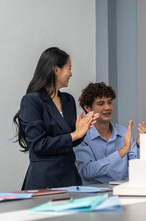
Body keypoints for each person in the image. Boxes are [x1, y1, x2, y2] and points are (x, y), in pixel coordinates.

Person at [13, 47, 99, 190]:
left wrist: (81, 131)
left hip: (70, 178)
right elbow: (38, 145)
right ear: (56, 70)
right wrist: (75, 134)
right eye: (69, 68)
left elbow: (71, 141)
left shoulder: (68, 100)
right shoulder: (31, 101)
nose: (71, 74)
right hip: (44, 181)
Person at [74, 82, 146, 184]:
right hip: (94, 195)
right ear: (87, 108)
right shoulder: (81, 136)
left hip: (123, 191)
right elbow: (86, 172)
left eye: (109, 102)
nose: (107, 107)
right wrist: (122, 151)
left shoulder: (123, 132)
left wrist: (140, 146)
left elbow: (137, 169)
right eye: (101, 104)